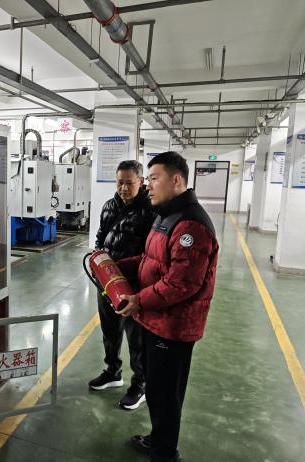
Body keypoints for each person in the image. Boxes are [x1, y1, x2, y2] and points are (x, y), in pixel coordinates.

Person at [115, 151, 219, 462]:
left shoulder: (191, 225)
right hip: (155, 319)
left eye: (154, 178)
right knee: (158, 389)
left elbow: (181, 283)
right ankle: (159, 439)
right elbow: (150, 261)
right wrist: (116, 266)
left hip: (173, 326)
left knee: (165, 393)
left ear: (176, 180)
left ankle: (165, 453)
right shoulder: (166, 215)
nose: (148, 185)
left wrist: (138, 300)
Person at [89, 160, 155, 410]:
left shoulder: (150, 210)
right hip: (107, 282)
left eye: (129, 183)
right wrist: (99, 262)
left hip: (134, 285)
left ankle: (140, 385)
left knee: (136, 338)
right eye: (120, 182)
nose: (124, 188)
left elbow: (152, 252)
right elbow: (100, 237)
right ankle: (112, 372)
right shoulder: (109, 206)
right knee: (110, 330)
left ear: (141, 181)